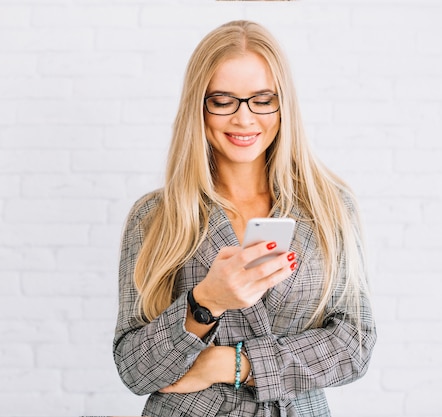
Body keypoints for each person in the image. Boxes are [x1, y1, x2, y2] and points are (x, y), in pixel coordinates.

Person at [113, 20, 376, 417]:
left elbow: (354, 343)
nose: (244, 118)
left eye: (262, 99)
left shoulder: (329, 207)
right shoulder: (155, 217)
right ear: (198, 107)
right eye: (223, 100)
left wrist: (236, 364)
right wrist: (205, 303)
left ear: (282, 104)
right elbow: (134, 369)